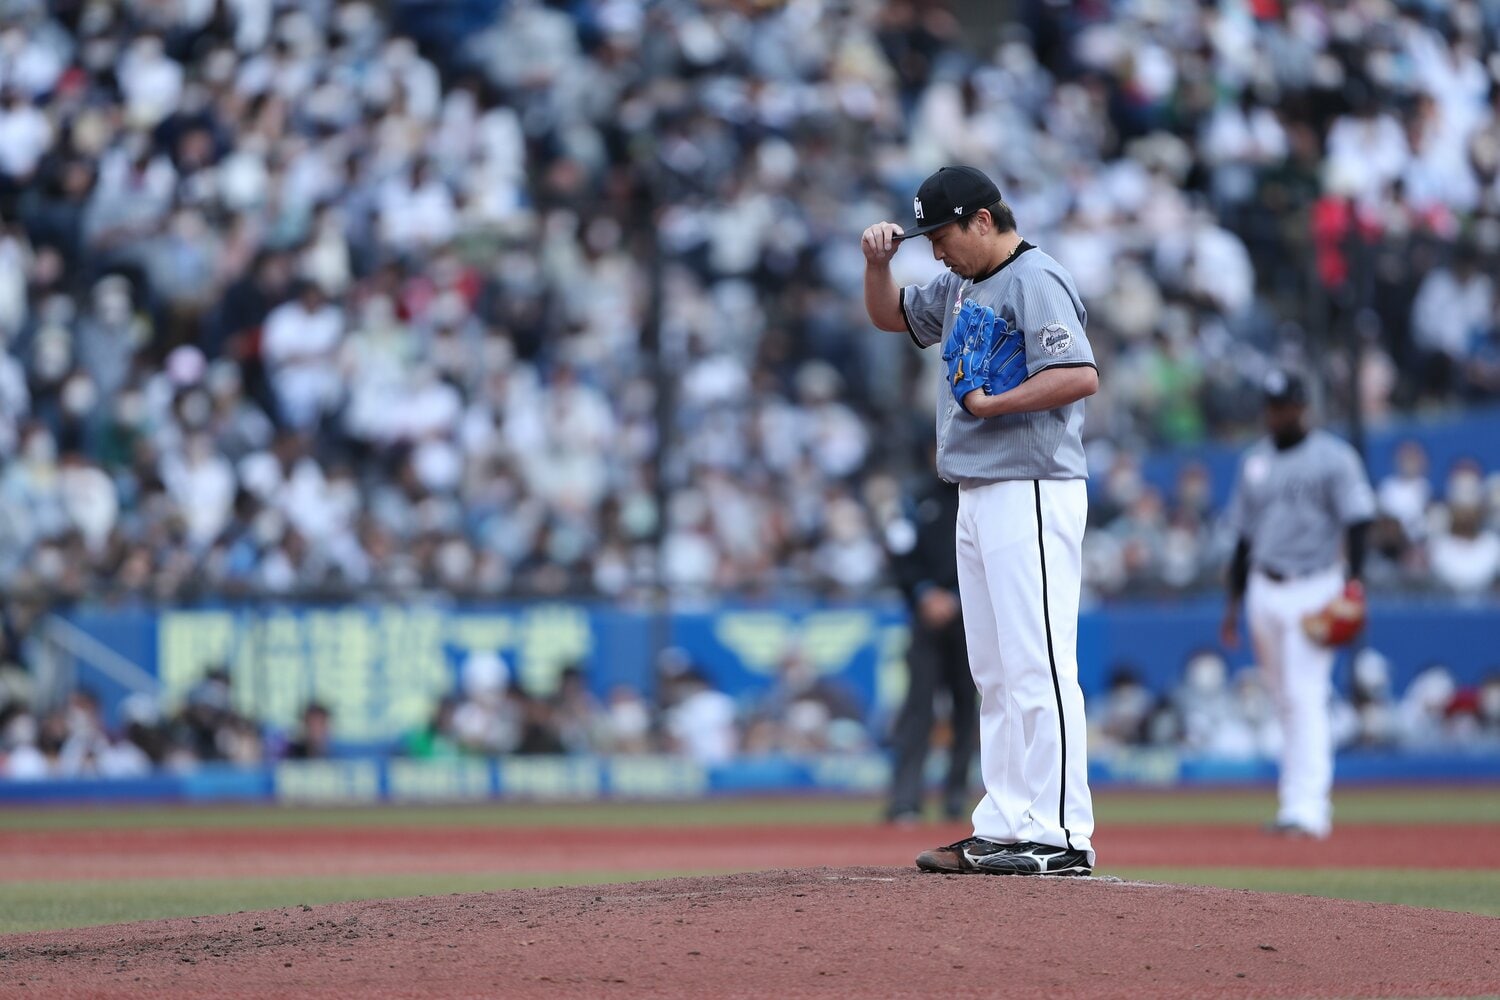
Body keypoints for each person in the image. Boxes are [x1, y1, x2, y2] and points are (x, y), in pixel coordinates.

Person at [862, 165, 1099, 876]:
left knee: (1039, 664)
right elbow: (890, 315)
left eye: (942, 235)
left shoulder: (1036, 278)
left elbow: (1080, 373)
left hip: (1031, 483)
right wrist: (878, 266)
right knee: (992, 670)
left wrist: (996, 405)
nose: (935, 250)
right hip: (978, 487)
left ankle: (1061, 833)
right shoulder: (963, 283)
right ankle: (1003, 820)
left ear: (984, 221)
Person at [1219, 370, 1375, 838]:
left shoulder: (1334, 457)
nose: (1276, 414)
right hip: (1265, 587)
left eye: (1283, 406)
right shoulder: (1254, 462)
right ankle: (1294, 798)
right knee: (1284, 697)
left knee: (1306, 694)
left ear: (1302, 407)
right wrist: (1233, 603)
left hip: (1315, 584)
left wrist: (1355, 584)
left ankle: (1309, 807)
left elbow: (1360, 520)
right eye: (1270, 406)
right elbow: (1243, 540)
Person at [882, 468, 977, 823]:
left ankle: (956, 798)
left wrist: (955, 597)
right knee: (917, 708)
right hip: (925, 619)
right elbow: (899, 556)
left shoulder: (979, 491)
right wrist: (925, 593)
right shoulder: (915, 501)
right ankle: (905, 799)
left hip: (970, 616)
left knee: (966, 709)